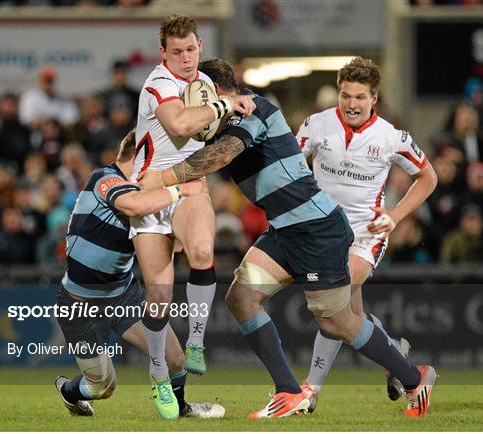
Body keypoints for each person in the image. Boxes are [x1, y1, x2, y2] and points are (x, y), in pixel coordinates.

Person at [139, 58, 438, 419]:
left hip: (317, 229)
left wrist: (162, 178)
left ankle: (413, 378)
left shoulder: (256, 109)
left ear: (213, 91)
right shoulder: (223, 122)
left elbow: (221, 156)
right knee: (241, 298)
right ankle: (288, 391)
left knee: (338, 321)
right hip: (285, 229)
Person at [129, 14, 255, 418]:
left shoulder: (203, 83)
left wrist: (241, 105)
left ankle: (197, 342)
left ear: (201, 45)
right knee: (160, 295)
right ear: (163, 52)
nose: (186, 57)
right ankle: (158, 374)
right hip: (150, 193)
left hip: (189, 188)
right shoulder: (158, 84)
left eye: (191, 49)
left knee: (203, 250)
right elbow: (181, 124)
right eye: (177, 51)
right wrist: (223, 106)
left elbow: (229, 114)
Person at [295, 56, 438, 409]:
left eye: (360, 97)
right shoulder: (315, 125)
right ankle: (405, 364)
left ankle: (309, 392)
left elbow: (428, 177)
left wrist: (395, 215)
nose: (351, 104)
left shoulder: (392, 137)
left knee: (333, 303)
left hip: (365, 234)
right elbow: (292, 170)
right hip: (323, 233)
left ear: (374, 98)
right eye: (346, 95)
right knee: (348, 320)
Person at [54, 129, 224, 420]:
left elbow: (178, 243)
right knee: (102, 387)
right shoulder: (105, 179)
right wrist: (181, 190)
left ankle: (181, 409)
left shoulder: (148, 192)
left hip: (122, 295)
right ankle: (69, 391)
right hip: (78, 303)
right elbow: (132, 205)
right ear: (141, 155)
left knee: (176, 359)